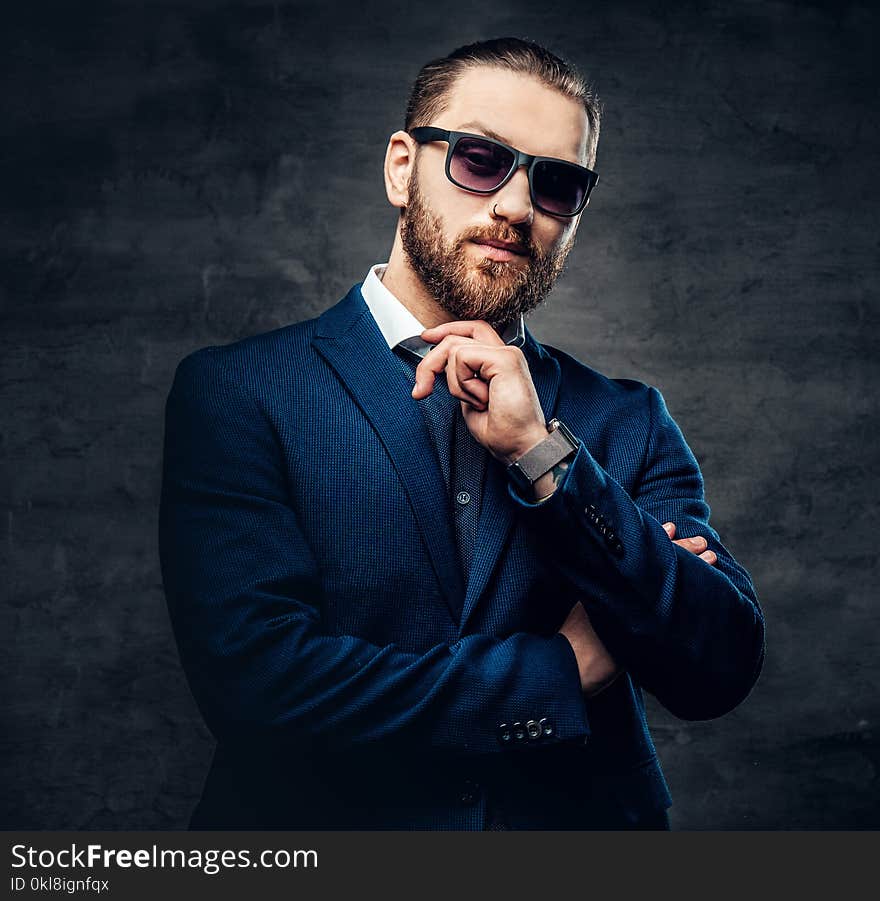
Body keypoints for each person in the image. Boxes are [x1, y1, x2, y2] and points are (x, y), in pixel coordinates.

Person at [158, 37, 765, 830]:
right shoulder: (239, 392)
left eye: (557, 183)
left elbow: (715, 665)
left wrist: (543, 455)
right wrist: (564, 669)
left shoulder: (627, 419)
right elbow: (261, 687)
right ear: (401, 167)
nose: (516, 206)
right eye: (480, 159)